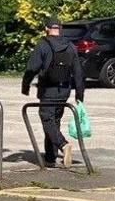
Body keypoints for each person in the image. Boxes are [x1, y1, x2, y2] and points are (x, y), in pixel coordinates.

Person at [21, 18, 86, 167]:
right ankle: (50, 158)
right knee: (54, 121)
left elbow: (32, 68)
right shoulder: (70, 46)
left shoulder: (43, 45)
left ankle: (63, 145)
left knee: (47, 119)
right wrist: (79, 94)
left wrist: (25, 86)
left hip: (48, 90)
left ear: (46, 28)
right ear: (60, 29)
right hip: (64, 90)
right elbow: (78, 72)